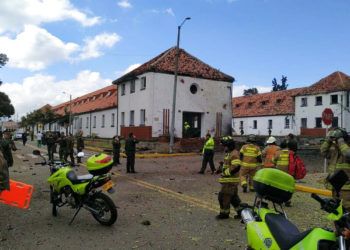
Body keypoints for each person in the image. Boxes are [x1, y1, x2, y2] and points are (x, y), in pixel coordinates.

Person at [321, 128, 350, 211]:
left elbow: (347, 154)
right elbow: (323, 152)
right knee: (336, 209)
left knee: (346, 210)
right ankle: (338, 224)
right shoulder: (335, 148)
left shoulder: (345, 147)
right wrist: (328, 140)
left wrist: (340, 140)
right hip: (336, 185)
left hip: (347, 187)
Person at [216, 137, 243, 219]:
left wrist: (225, 173)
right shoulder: (229, 153)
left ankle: (224, 214)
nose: (224, 147)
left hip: (230, 182)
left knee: (223, 197)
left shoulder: (234, 154)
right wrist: (220, 169)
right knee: (233, 198)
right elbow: (228, 165)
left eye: (225, 146)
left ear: (229, 145)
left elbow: (236, 167)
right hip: (230, 181)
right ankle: (242, 213)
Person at [273, 140, 292, 207]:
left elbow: (273, 160)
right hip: (289, 172)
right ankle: (288, 200)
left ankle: (278, 199)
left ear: (281, 146)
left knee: (279, 185)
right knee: (288, 186)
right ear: (287, 146)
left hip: (279, 172)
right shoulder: (291, 152)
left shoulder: (278, 153)